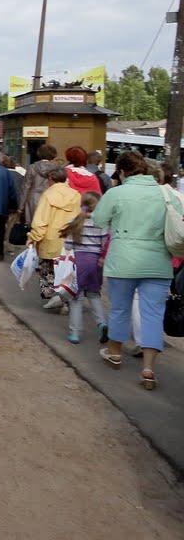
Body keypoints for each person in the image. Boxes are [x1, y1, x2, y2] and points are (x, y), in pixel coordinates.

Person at [92, 151, 182, 390]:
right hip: (159, 264)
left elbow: (99, 220)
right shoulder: (166, 194)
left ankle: (114, 353)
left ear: (122, 171)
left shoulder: (117, 193)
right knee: (152, 314)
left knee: (120, 308)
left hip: (123, 261)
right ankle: (149, 369)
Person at [27, 167, 81, 308]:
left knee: (47, 268)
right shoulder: (76, 195)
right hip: (68, 239)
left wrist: (33, 237)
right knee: (66, 271)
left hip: (50, 238)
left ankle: (50, 295)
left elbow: (41, 220)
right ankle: (64, 300)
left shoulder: (48, 195)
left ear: (51, 179)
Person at [60, 192, 108, 344]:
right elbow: (104, 244)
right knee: (94, 295)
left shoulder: (76, 221)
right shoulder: (102, 223)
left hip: (78, 262)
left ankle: (75, 333)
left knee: (76, 298)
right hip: (95, 263)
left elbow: (67, 245)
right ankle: (102, 323)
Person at [20, 143, 58, 225]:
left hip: (33, 199)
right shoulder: (56, 168)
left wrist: (21, 206)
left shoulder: (32, 167)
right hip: (51, 198)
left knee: (33, 225)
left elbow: (26, 187)